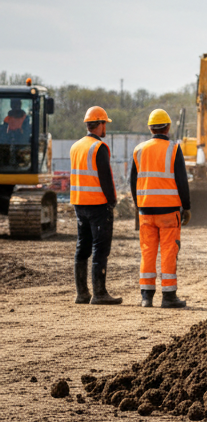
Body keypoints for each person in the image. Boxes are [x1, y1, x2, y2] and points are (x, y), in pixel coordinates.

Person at [130, 108, 191, 308]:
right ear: (168, 128)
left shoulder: (139, 150)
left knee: (147, 251)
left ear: (150, 128)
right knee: (168, 251)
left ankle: (146, 297)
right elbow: (182, 180)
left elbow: (133, 182)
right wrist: (187, 207)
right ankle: (168, 296)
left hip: (145, 211)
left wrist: (138, 206)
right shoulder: (174, 149)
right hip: (168, 211)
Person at [69, 106, 122, 304]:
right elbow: (105, 178)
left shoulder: (76, 146)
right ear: (99, 125)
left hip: (78, 203)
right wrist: (112, 201)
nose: (105, 128)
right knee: (100, 248)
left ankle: (82, 293)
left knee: (82, 247)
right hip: (98, 205)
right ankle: (99, 294)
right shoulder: (98, 147)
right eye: (105, 124)